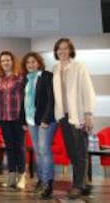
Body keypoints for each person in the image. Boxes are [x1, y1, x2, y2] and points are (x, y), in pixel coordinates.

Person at [52, 38, 96, 199]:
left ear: (71, 50)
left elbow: (88, 90)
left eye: (65, 48)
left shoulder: (79, 67)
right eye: (59, 49)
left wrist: (88, 113)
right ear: (56, 52)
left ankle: (78, 185)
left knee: (80, 151)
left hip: (78, 115)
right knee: (72, 152)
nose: (62, 51)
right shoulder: (55, 68)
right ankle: (82, 183)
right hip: (63, 117)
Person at [22, 52, 56, 199]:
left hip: (45, 120)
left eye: (33, 62)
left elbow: (51, 98)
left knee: (44, 150)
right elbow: (25, 102)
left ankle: (48, 184)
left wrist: (46, 118)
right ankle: (41, 181)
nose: (31, 65)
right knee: (37, 151)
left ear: (39, 63)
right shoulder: (27, 79)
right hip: (31, 121)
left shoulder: (47, 76)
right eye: (28, 62)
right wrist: (24, 120)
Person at [0, 51, 26, 189]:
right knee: (9, 148)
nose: (5, 63)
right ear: (0, 64)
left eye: (8, 60)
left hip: (18, 117)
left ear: (13, 61)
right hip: (4, 117)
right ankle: (11, 176)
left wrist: (25, 120)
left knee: (19, 147)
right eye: (3, 61)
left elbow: (26, 99)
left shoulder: (20, 78)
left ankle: (22, 176)